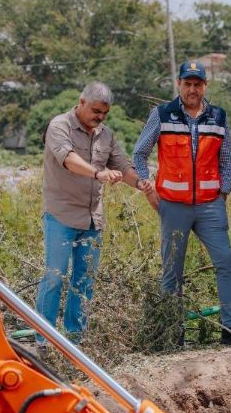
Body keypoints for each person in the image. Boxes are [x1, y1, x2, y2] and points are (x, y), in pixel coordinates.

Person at [133, 61, 231, 346]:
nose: (192, 89)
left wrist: (223, 193)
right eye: (187, 84)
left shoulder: (218, 117)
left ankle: (230, 330)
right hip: (173, 206)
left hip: (210, 205)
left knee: (225, 261)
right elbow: (139, 154)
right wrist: (145, 184)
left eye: (197, 84)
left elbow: (227, 160)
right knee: (172, 271)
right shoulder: (162, 114)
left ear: (205, 86)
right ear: (179, 84)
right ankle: (171, 335)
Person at [36, 82, 154, 345]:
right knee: (54, 277)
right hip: (61, 216)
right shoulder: (59, 126)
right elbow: (67, 159)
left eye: (104, 113)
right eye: (95, 111)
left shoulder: (106, 135)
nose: (99, 117)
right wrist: (97, 172)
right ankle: (43, 340)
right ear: (81, 103)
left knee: (84, 281)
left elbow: (122, 165)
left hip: (92, 218)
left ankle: (74, 341)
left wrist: (140, 183)